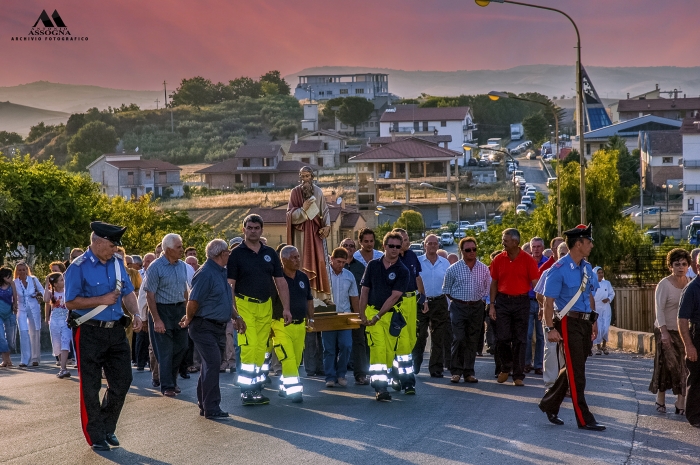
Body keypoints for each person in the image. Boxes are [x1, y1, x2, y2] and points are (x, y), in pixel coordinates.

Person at [64, 221, 142, 450]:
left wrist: (136, 313)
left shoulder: (118, 264)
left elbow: (127, 293)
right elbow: (70, 302)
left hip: (115, 330)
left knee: (123, 379)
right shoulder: (77, 267)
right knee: (90, 385)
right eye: (111, 245)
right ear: (97, 242)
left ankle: (107, 425)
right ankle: (96, 435)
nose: (115, 250)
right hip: (88, 330)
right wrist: (102, 299)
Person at [538, 224, 605, 431]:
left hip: (584, 322)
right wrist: (550, 329)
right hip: (568, 322)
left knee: (573, 368)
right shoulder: (558, 270)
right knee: (578, 373)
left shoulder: (587, 268)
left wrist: (593, 322)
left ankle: (549, 404)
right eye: (589, 242)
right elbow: (548, 303)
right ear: (578, 244)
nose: (592, 245)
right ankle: (584, 419)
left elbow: (589, 297)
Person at [228, 214, 290, 406]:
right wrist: (234, 313)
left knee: (261, 349)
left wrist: (286, 308)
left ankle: (256, 387)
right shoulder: (236, 254)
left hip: (266, 306)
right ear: (243, 229)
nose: (253, 231)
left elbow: (281, 282)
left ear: (262, 230)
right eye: (250, 227)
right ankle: (246, 391)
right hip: (245, 305)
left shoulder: (270, 253)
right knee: (249, 347)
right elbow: (230, 285)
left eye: (256, 228)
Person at [180, 239, 242, 420]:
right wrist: (189, 318)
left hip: (216, 326)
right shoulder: (206, 273)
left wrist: (236, 316)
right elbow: (193, 301)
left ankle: (205, 403)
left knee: (210, 365)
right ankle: (211, 407)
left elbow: (224, 300)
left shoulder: (221, 272)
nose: (229, 255)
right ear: (221, 254)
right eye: (228, 252)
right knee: (213, 363)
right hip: (203, 325)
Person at [359, 232, 409, 402]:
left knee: (389, 352)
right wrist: (362, 314)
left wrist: (379, 316)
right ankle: (380, 388)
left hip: (390, 316)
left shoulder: (403, 270)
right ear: (384, 246)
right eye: (391, 246)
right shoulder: (373, 265)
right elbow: (364, 290)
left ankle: (387, 380)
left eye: (397, 246)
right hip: (372, 313)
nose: (394, 249)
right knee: (378, 349)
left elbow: (394, 297)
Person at [489, 229, 539, 386]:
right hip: (502, 301)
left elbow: (535, 284)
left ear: (516, 243)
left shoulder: (528, 260)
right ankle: (506, 367)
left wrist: (543, 305)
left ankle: (518, 375)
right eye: (503, 239)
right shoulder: (498, 259)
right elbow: (494, 283)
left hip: (522, 302)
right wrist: (491, 305)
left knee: (520, 339)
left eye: (506, 240)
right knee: (502, 338)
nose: (503, 243)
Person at [144, 233, 190, 397]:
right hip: (161, 310)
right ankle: (168, 385)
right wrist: (156, 319)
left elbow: (185, 291)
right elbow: (150, 295)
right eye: (178, 247)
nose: (182, 250)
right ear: (168, 249)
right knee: (165, 350)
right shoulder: (156, 267)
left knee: (182, 346)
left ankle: (172, 379)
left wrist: (188, 312)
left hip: (179, 310)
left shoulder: (182, 265)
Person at [443, 237, 491, 384]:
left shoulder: (483, 268)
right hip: (458, 306)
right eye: (468, 250)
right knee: (458, 337)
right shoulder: (453, 269)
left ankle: (469, 372)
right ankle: (456, 371)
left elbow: (487, 288)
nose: (472, 252)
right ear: (461, 251)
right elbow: (446, 289)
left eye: (474, 249)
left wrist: (480, 301)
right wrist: (459, 300)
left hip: (476, 306)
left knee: (472, 340)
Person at [649, 248, 690, 416]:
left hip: (683, 331)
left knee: (684, 367)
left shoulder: (690, 283)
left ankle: (681, 402)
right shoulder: (664, 285)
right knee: (665, 365)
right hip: (665, 329)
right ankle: (661, 398)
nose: (681, 267)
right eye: (677, 264)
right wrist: (664, 332)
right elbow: (659, 311)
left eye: (684, 264)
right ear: (670, 266)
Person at [271, 246, 314, 402]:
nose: (298, 260)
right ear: (283, 260)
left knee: (295, 360)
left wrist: (312, 318)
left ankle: (284, 386)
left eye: (298, 257)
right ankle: (295, 391)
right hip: (281, 325)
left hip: (300, 325)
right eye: (294, 258)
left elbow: (309, 299)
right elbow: (269, 303)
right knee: (288, 358)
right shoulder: (276, 278)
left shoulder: (303, 277)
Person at [286, 166, 331, 301]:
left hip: (316, 232)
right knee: (302, 261)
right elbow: (290, 215)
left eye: (308, 176)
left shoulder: (318, 192)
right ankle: (303, 294)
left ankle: (321, 296)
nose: (305, 179)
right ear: (300, 177)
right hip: (301, 233)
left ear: (312, 177)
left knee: (320, 261)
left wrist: (327, 226)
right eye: (303, 176)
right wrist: (302, 210)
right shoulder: (295, 192)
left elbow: (325, 210)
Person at [392, 228, 424, 394]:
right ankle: (407, 382)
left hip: (412, 300)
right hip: (398, 302)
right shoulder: (391, 259)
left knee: (411, 340)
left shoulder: (412, 255)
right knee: (402, 343)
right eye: (404, 239)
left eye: (407, 238)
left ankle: (396, 374)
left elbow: (417, 276)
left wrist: (423, 297)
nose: (407, 242)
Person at [414, 234, 450, 377]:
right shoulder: (418, 262)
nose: (433, 246)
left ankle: (436, 368)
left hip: (440, 301)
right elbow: (414, 282)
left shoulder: (445, 263)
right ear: (425, 245)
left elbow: (448, 284)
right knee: (420, 335)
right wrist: (422, 299)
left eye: (435, 243)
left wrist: (448, 303)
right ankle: (415, 364)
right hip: (422, 301)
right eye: (430, 243)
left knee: (438, 337)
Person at [536, 241, 569, 392]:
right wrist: (547, 306)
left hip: (571, 317)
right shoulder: (549, 272)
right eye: (562, 253)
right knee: (550, 350)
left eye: (567, 253)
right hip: (552, 315)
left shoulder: (581, 272)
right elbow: (539, 294)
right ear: (556, 254)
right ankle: (550, 384)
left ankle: (566, 384)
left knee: (567, 351)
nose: (565, 257)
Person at [323, 247, 359, 388]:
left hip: (344, 316)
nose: (341, 265)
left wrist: (357, 315)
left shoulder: (349, 276)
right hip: (327, 316)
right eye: (338, 261)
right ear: (332, 259)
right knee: (329, 349)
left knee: (346, 345)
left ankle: (341, 374)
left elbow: (354, 297)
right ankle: (330, 377)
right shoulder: (324, 274)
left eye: (344, 262)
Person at [341, 238, 370, 385]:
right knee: (337, 344)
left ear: (355, 248)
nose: (348, 248)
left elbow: (365, 289)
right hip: (339, 310)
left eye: (351, 246)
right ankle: (337, 375)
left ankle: (361, 375)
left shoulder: (361, 267)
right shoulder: (332, 266)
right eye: (345, 245)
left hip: (356, 310)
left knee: (359, 342)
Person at [678, 253, 700, 427]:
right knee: (697, 378)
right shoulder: (692, 289)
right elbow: (682, 319)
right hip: (698, 336)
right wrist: (689, 345)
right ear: (698, 267)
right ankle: (694, 416)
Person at [525, 237, 549, 375]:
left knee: (541, 335)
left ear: (542, 247)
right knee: (527, 334)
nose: (536, 249)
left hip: (543, 302)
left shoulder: (547, 263)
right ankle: (527, 362)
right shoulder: (526, 262)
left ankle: (539, 364)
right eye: (534, 246)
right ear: (530, 248)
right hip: (527, 301)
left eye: (539, 246)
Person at [14, 262, 44, 367]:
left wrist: (37, 294)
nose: (22, 272)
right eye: (19, 270)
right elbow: (13, 296)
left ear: (27, 270)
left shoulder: (33, 280)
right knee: (23, 332)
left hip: (33, 307)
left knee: (35, 331)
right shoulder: (15, 282)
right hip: (21, 308)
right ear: (16, 271)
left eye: (24, 269)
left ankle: (35, 358)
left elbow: (43, 291)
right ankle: (24, 359)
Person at [45, 272, 72, 378]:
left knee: (65, 342)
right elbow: (46, 300)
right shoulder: (52, 294)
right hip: (54, 322)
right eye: (61, 280)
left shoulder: (67, 292)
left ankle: (63, 368)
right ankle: (63, 367)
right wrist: (47, 282)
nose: (63, 281)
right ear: (55, 284)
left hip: (66, 321)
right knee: (57, 345)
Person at [135, 253, 156, 374]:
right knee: (142, 339)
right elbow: (142, 298)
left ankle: (150, 363)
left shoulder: (154, 272)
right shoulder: (145, 276)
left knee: (151, 342)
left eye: (150, 261)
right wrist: (142, 318)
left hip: (156, 312)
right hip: (146, 312)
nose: (146, 264)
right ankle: (140, 362)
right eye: (146, 261)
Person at [592, 267, 615, 355]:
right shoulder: (592, 285)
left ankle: (604, 346)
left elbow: (612, 293)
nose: (601, 274)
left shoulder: (607, 283)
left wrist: (608, 299)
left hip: (605, 308)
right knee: (599, 328)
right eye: (599, 273)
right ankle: (598, 347)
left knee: (605, 328)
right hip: (597, 309)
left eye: (602, 272)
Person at [0, 267, 18, 368]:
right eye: (7, 275)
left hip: (10, 313)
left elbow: (15, 296)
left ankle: (7, 360)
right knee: (1, 337)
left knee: (11, 339)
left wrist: (15, 305)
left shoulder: (12, 284)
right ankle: (6, 360)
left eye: (10, 275)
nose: (9, 277)